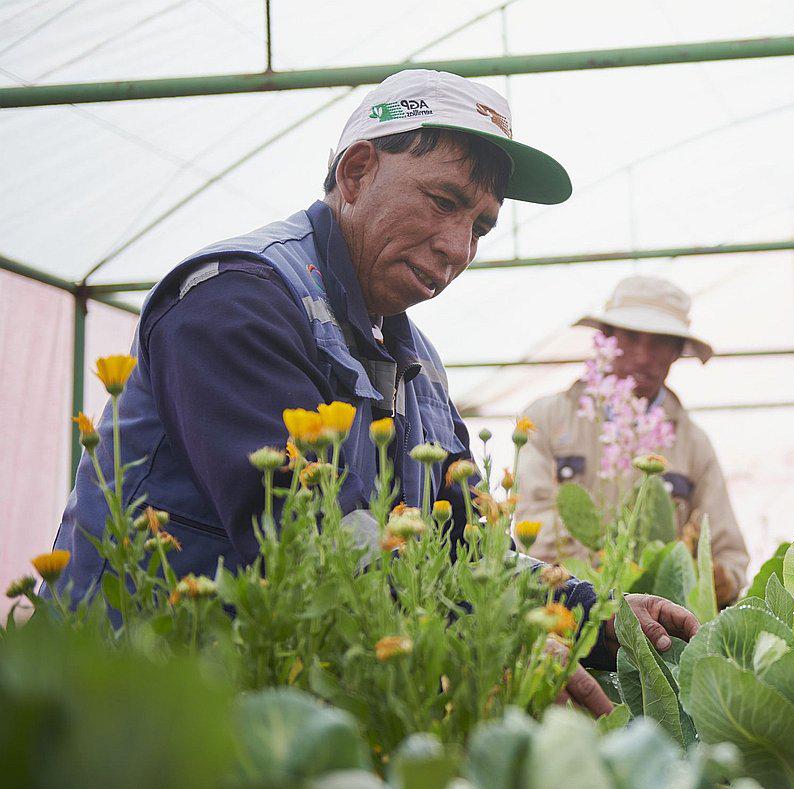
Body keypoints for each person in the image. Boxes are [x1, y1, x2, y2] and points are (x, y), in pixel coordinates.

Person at [51, 69, 693, 714]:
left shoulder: (416, 364)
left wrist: (589, 615)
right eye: (444, 200)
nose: (458, 247)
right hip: (123, 706)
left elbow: (465, 547)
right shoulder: (237, 301)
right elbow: (311, 542)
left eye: (481, 226)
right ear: (356, 172)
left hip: (268, 708)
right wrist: (490, 644)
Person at [515, 276, 750, 606]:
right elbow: (531, 523)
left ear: (677, 351)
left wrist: (718, 579)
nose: (643, 355)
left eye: (660, 342)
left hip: (659, 628)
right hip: (562, 610)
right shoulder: (545, 418)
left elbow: (729, 553)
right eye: (632, 337)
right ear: (606, 339)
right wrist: (602, 577)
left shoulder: (693, 443)